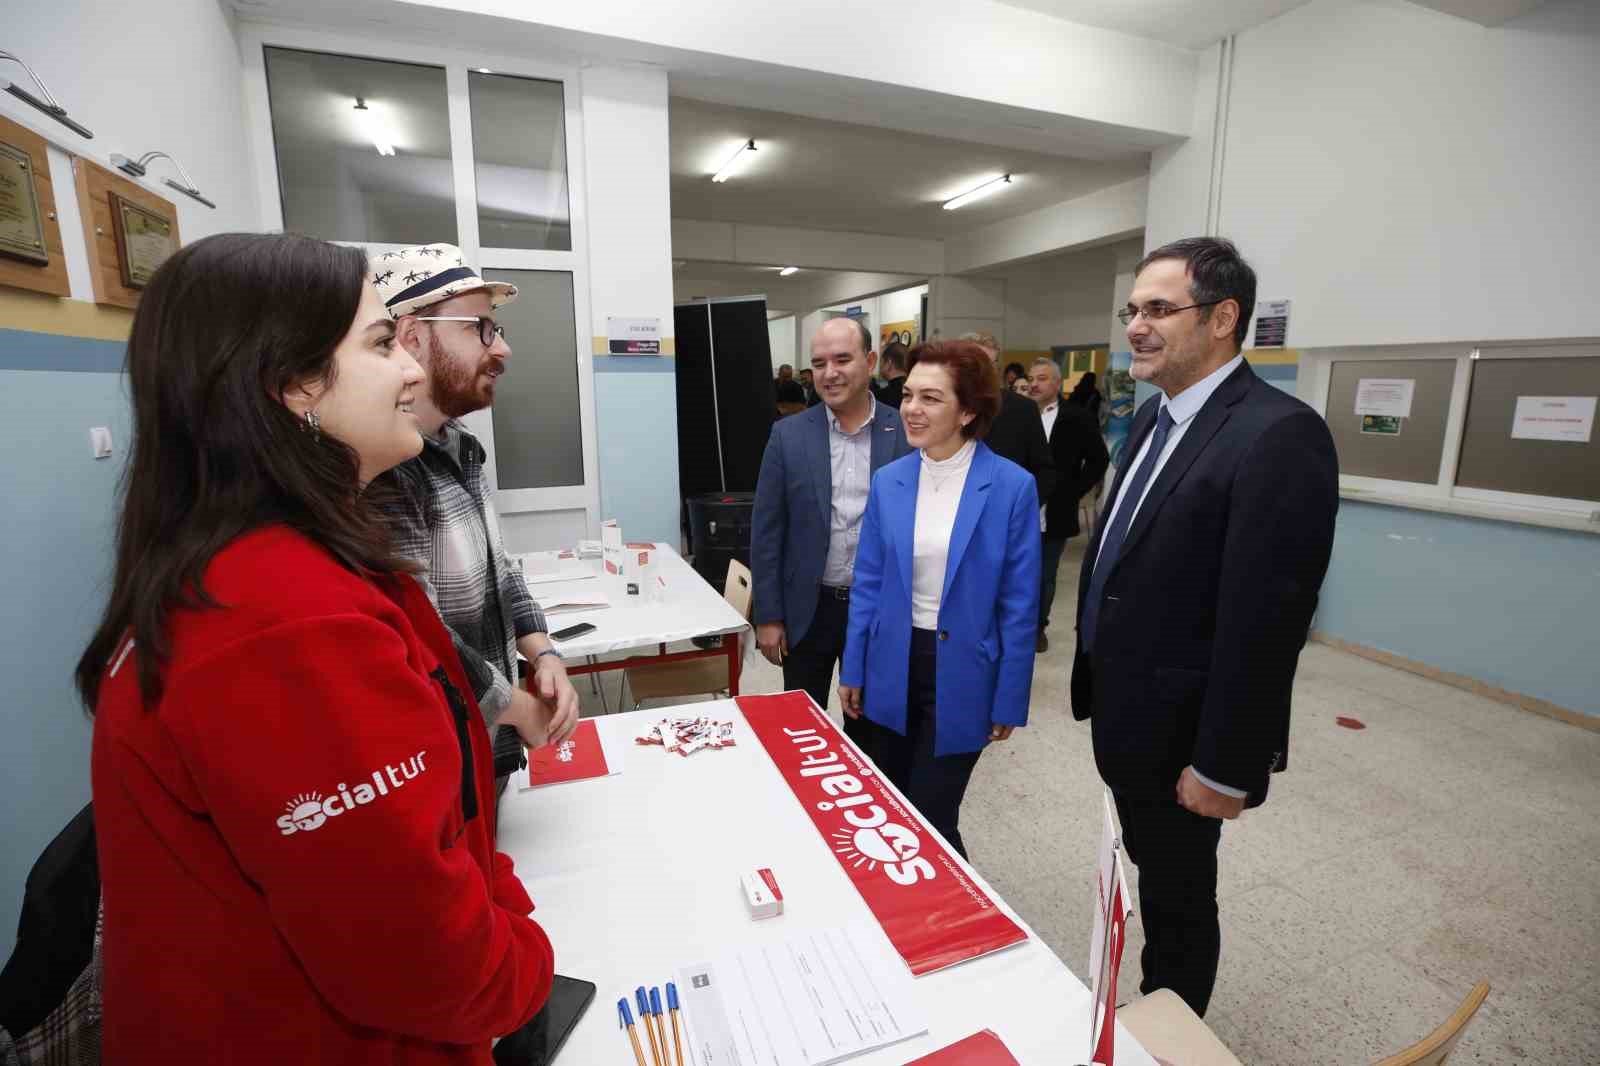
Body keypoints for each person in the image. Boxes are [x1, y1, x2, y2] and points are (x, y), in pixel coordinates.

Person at [78, 232, 556, 1062]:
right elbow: (420, 960)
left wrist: (494, 908)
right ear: (294, 384)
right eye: (380, 343)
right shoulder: (286, 627)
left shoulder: (290, 562)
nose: (408, 369)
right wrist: (529, 959)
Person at [1071, 237, 1338, 1016]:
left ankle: (1171, 1025)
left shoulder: (1277, 434)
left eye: (1159, 309)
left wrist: (1225, 765)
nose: (1137, 327)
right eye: (1133, 311)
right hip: (1130, 715)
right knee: (1155, 871)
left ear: (1224, 318)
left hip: (1189, 736)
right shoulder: (1158, 418)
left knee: (1181, 898)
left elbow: (1267, 624)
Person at [370, 245, 579, 790]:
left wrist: (543, 652)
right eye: (481, 328)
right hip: (444, 754)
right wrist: (516, 707)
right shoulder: (387, 471)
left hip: (491, 746)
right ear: (413, 336)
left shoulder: (459, 447)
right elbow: (423, 635)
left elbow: (502, 570)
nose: (502, 348)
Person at [838, 340, 1040, 859]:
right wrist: (853, 670)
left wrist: (1009, 696)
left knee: (931, 818)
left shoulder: (1010, 487)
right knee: (881, 810)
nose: (911, 409)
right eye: (908, 395)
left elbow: (1020, 605)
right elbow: (868, 583)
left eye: (931, 398)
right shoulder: (891, 480)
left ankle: (955, 925)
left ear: (968, 410)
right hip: (890, 662)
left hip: (963, 670)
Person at [752, 316, 911, 740]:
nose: (830, 372)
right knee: (800, 727)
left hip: (878, 612)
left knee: (870, 729)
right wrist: (768, 615)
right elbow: (767, 530)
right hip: (810, 608)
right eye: (819, 363)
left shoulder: (906, 433)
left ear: (871, 361)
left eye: (843, 359)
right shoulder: (787, 436)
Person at [1029, 357, 1108, 653]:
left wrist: (1074, 492)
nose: (1035, 383)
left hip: (1055, 510)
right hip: (1017, 510)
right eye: (1032, 378)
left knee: (1045, 574)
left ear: (1058, 383)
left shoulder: (1076, 417)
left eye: (1043, 378)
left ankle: (1038, 627)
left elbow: (1099, 459)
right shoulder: (1017, 415)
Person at [960, 330, 1056, 505]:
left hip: (1005, 513)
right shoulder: (944, 406)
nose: (986, 370)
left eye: (992, 363)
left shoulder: (1022, 409)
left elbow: (1044, 471)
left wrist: (1022, 511)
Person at [876, 340, 909, 408]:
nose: (880, 366)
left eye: (881, 361)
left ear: (889, 363)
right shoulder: (912, 392)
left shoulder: (882, 396)